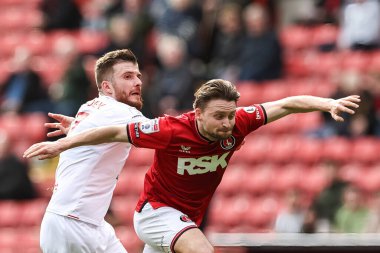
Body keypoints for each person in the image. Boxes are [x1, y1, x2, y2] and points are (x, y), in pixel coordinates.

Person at [24, 79, 360, 253]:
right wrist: (65, 142)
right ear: (198, 113)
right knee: (201, 249)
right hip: (156, 212)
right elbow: (114, 131)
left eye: (230, 114)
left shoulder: (240, 122)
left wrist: (327, 103)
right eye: (219, 116)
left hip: (185, 217)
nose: (227, 123)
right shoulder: (171, 129)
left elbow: (286, 104)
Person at [27, 49, 148, 252]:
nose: (137, 82)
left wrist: (76, 125)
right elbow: (161, 133)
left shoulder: (90, 106)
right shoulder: (122, 111)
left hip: (91, 223)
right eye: (127, 76)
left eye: (138, 76)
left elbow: (99, 131)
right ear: (107, 87)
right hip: (72, 223)